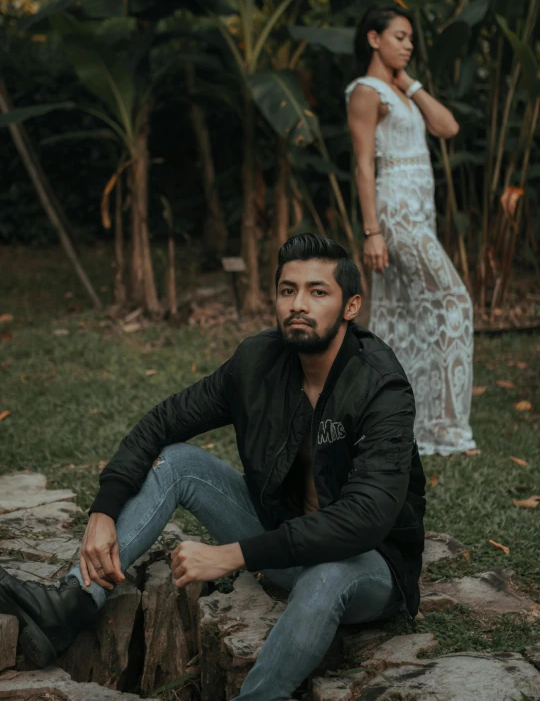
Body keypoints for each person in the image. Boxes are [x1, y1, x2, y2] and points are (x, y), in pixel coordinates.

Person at [0, 234, 426, 701]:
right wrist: (102, 510)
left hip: (368, 567)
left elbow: (365, 520)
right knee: (179, 463)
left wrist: (234, 555)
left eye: (317, 291)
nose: (298, 304)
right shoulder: (256, 362)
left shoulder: (382, 386)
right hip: (285, 544)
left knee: (328, 574)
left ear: (351, 306)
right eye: (288, 290)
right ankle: (72, 603)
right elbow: (163, 421)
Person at [346, 5, 476, 457]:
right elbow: (363, 165)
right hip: (394, 214)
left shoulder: (400, 91)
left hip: (421, 213)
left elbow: (448, 126)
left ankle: (396, 423)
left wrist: (412, 84)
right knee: (454, 300)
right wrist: (372, 231)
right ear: (374, 38)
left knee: (404, 315)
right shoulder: (365, 92)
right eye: (399, 36)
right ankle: (448, 429)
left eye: (411, 39)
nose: (408, 44)